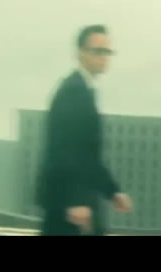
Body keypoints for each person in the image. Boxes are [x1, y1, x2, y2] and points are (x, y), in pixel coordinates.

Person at [35, 25, 134, 235]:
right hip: (69, 205)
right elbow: (64, 149)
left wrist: (112, 191)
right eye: (97, 51)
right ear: (81, 53)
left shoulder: (84, 91)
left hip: (80, 202)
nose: (103, 57)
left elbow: (89, 156)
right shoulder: (73, 91)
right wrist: (75, 200)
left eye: (107, 52)